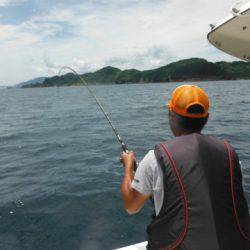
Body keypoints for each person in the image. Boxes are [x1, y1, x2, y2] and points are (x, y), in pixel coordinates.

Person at [120, 84, 250, 250]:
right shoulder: (231, 156)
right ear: (207, 117)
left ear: (171, 115)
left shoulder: (155, 158)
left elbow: (131, 206)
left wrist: (128, 166)